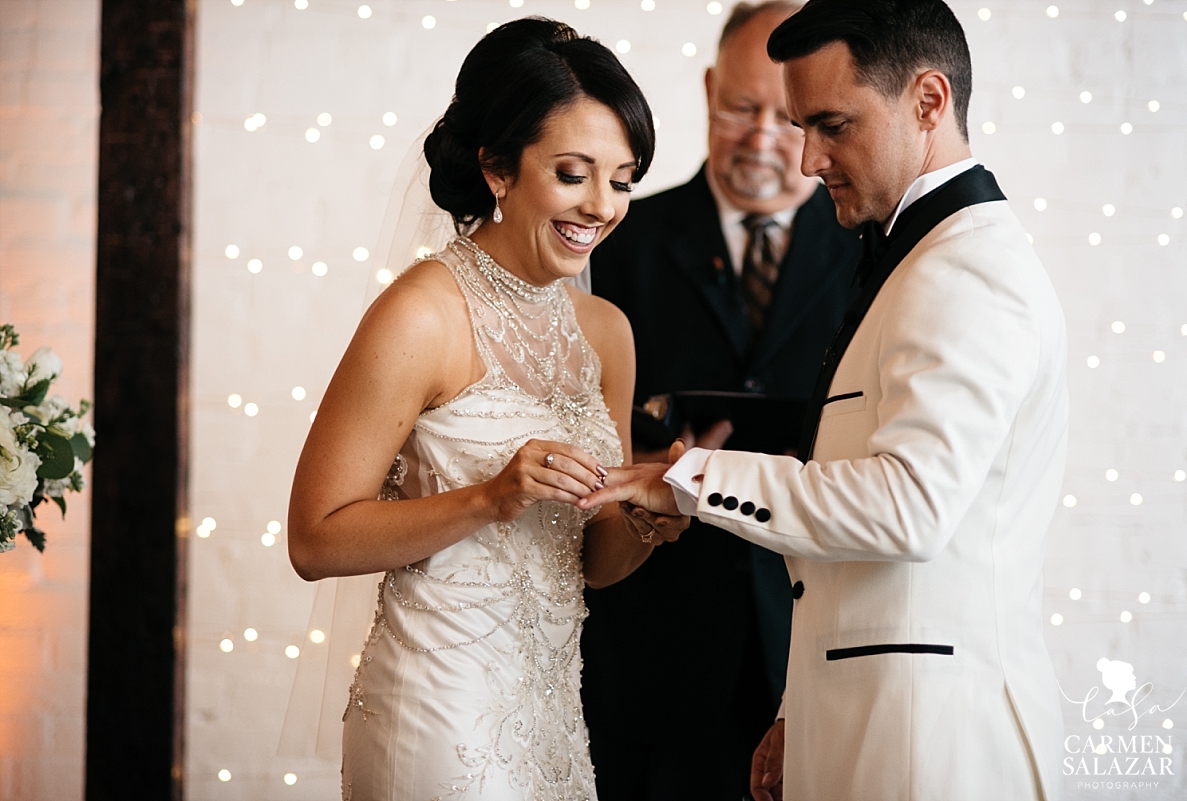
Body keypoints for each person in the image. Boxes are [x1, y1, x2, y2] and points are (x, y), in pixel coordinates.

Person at [581, 1, 1069, 799]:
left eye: (831, 125)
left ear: (929, 102)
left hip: (930, 743)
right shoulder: (913, 258)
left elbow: (907, 508)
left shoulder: (962, 271)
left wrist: (689, 476)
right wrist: (796, 705)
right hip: (812, 708)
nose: (805, 159)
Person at [287, 19, 688, 800]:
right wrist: (489, 496)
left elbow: (592, 566)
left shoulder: (606, 332)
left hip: (552, 716)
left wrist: (649, 515)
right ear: (498, 169)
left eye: (623, 178)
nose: (601, 206)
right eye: (573, 174)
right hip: (436, 711)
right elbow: (314, 537)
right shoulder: (423, 313)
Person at [581, 3, 861, 798]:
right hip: (647, 649)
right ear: (707, 89)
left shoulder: (873, 259)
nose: (764, 137)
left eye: (790, 116)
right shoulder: (614, 238)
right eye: (741, 107)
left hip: (808, 649)